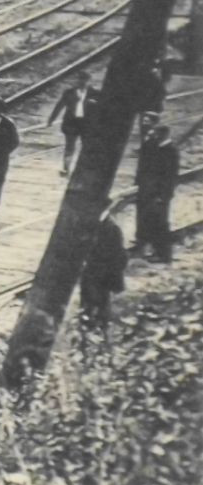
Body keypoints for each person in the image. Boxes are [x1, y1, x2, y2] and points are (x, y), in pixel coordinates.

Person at [134, 123, 178, 263]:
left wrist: (163, 196)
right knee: (149, 221)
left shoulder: (171, 151)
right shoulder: (157, 148)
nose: (153, 136)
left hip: (160, 195)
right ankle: (150, 249)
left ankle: (164, 255)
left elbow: (171, 177)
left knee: (161, 224)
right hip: (150, 192)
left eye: (156, 134)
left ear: (163, 134)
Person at [78, 206, 127, 330]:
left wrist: (114, 276)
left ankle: (101, 326)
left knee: (101, 302)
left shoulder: (112, 228)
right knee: (87, 300)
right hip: (91, 270)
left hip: (103, 273)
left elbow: (118, 255)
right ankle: (87, 325)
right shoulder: (92, 224)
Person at [48, 72, 98, 176]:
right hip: (71, 123)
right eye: (80, 80)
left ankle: (84, 169)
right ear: (77, 81)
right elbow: (59, 106)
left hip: (86, 124)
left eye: (85, 80)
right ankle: (66, 168)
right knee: (69, 146)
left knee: (87, 146)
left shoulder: (95, 94)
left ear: (89, 82)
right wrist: (51, 119)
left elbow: (101, 108)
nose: (82, 82)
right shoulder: (69, 92)